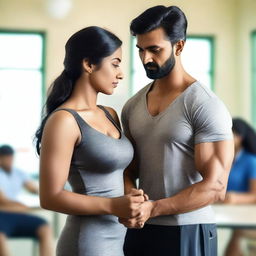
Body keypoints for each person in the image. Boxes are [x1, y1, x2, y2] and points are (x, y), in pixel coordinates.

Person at [120, 5, 234, 256]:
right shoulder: (132, 106)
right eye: (140, 49)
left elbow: (215, 186)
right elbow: (128, 168)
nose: (145, 58)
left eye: (155, 49)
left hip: (189, 229)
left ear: (179, 46)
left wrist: (153, 208)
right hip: (142, 230)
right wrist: (133, 200)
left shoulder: (204, 104)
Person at [34, 26, 146, 256]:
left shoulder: (110, 114)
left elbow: (116, 173)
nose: (121, 73)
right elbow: (50, 197)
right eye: (115, 63)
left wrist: (131, 196)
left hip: (119, 240)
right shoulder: (64, 121)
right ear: (89, 64)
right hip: (87, 243)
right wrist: (113, 205)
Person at [0, 144, 53, 256]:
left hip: (16, 213)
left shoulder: (18, 173)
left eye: (11, 157)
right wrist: (22, 207)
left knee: (44, 227)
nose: (9, 160)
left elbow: (32, 188)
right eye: (6, 157)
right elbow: (3, 200)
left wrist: (48, 192)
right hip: (3, 214)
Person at [224, 118, 256, 256]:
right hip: (229, 213)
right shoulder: (227, 158)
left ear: (239, 137)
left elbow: (254, 195)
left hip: (247, 216)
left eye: (228, 133)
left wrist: (235, 198)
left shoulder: (250, 161)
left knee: (237, 237)